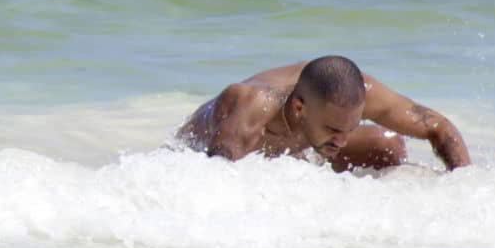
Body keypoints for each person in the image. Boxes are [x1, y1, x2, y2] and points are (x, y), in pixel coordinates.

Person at [176, 55, 471, 172]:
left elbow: (439, 127)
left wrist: (465, 188)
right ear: (299, 108)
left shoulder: (354, 93)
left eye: (349, 129)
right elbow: (212, 181)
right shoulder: (251, 106)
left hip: (292, 150)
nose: (342, 140)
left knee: (388, 145)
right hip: (203, 154)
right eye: (333, 129)